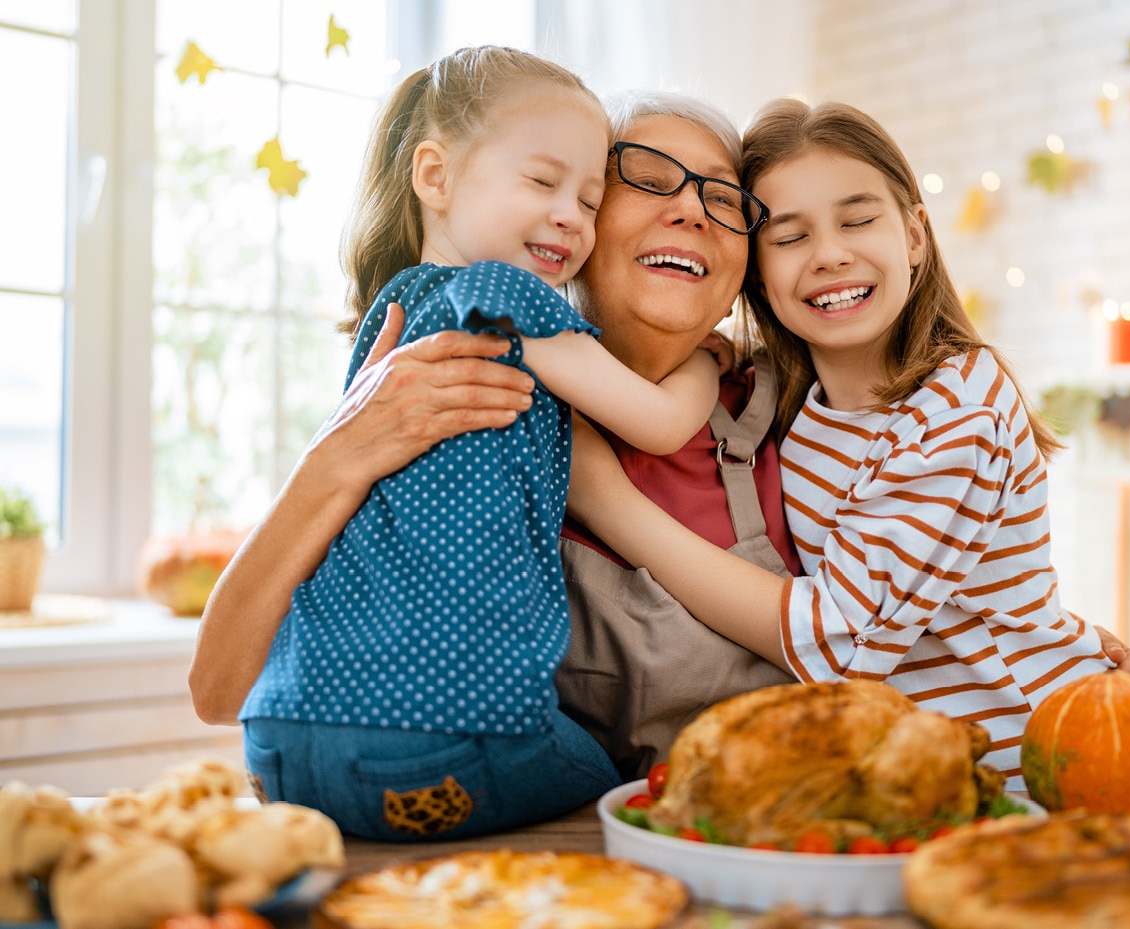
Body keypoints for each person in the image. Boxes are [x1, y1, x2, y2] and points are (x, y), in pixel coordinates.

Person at [190, 86, 1130, 807]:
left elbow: (892, 599)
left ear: (742, 268)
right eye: (646, 178)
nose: (689, 208)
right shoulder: (462, 393)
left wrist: (1049, 641)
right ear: (574, 226)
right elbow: (218, 686)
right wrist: (340, 459)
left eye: (724, 199)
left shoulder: (783, 403)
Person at [213, 46, 742, 842]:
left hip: (282, 742)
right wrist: (709, 354)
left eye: (588, 199)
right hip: (445, 741)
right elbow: (662, 423)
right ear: (435, 175)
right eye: (542, 182)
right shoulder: (504, 296)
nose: (570, 214)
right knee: (614, 783)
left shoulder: (385, 324)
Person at [564, 99, 1120, 784]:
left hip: (1026, 772)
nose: (830, 254)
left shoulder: (957, 407)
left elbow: (837, 641)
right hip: (902, 782)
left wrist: (602, 499)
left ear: (915, 235)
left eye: (857, 220)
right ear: (757, 274)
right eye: (789, 237)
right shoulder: (786, 396)